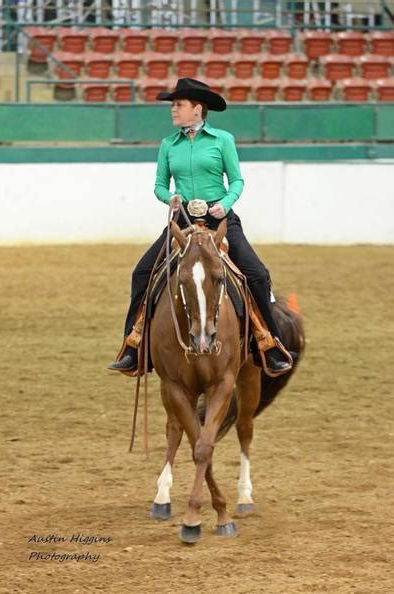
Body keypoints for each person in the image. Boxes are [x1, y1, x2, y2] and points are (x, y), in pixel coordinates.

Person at [108, 78, 292, 376]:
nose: (173, 110)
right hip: (182, 222)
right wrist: (172, 198)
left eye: (178, 105)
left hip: (220, 218)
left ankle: (268, 344)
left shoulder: (223, 140)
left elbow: (237, 181)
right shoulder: (168, 144)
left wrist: (226, 204)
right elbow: (158, 186)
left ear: (198, 109)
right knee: (141, 273)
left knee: (257, 274)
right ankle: (134, 346)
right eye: (173, 105)